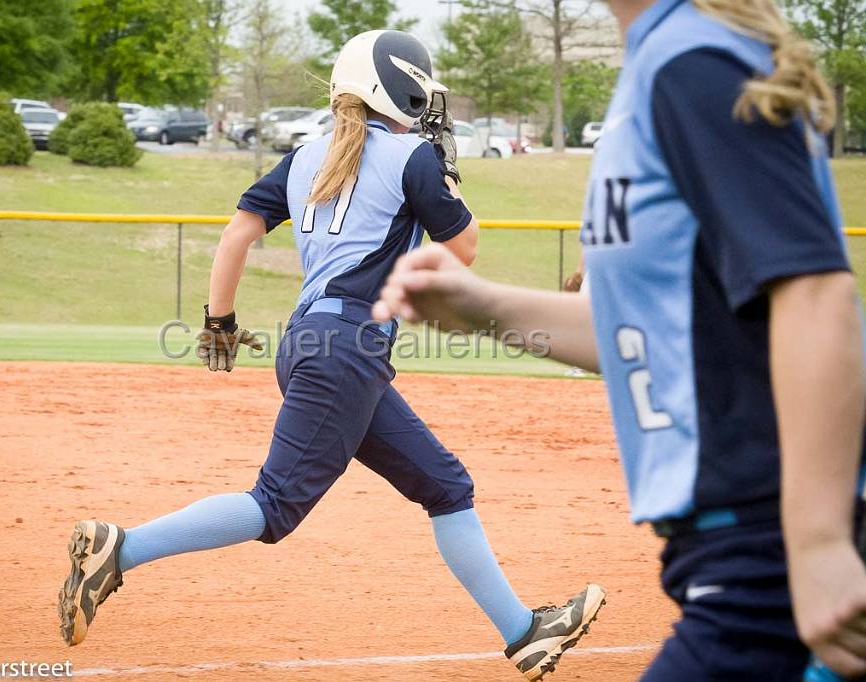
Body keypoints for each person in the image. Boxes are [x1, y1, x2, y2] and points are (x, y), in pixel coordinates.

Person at [57, 30, 605, 680]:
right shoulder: (412, 157)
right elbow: (465, 249)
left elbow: (236, 236)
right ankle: (120, 550)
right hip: (347, 352)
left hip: (313, 347)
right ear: (399, 88)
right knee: (275, 504)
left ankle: (524, 634)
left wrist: (221, 323)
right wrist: (445, 172)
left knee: (446, 486)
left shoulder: (305, 154)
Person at [373, 1, 866, 679]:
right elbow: (650, 336)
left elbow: (815, 294)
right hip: (735, 554)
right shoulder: (661, 63)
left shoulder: (695, 62)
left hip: (769, 556)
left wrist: (821, 544)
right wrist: (483, 308)